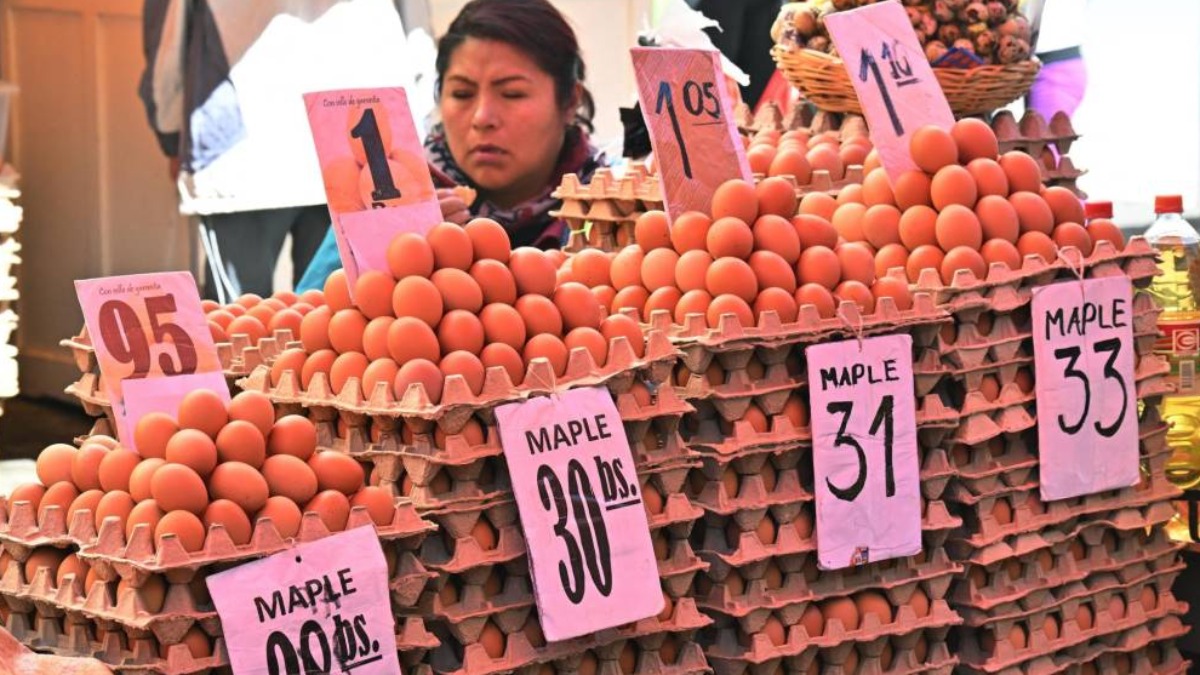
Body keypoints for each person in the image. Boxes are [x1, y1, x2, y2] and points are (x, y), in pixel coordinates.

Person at [297, 0, 604, 291]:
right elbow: (307, 314)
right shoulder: (385, 194)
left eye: (512, 94)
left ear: (569, 102)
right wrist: (390, 253)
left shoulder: (614, 205)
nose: (483, 118)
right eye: (461, 94)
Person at [139, 0, 414, 301]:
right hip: (350, 136)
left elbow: (167, 42)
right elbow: (416, 32)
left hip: (247, 146)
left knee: (239, 328)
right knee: (332, 320)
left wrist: (170, 133)